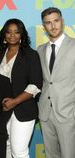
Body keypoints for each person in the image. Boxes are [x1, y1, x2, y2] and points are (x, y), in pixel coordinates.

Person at [0, 19, 42, 158]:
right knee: (6, 149)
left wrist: (14, 101)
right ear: (4, 34)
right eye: (8, 32)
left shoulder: (30, 55)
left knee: (19, 152)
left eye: (17, 32)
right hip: (2, 110)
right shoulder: (0, 53)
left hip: (23, 110)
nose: (12, 35)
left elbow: (35, 85)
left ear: (22, 35)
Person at [37, 7, 75, 158]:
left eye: (56, 21)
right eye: (48, 23)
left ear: (62, 21)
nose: (53, 26)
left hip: (68, 113)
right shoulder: (40, 50)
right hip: (45, 113)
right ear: (44, 26)